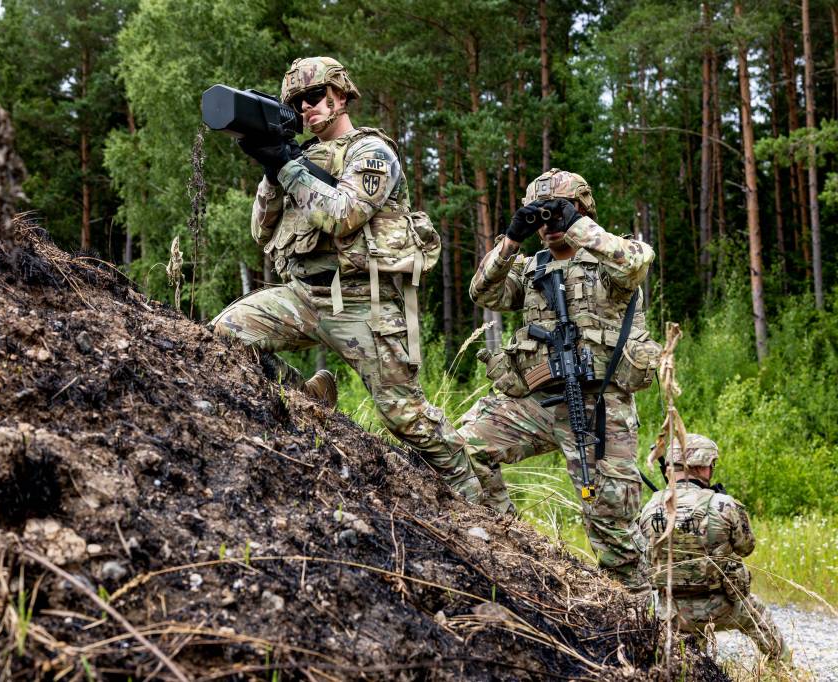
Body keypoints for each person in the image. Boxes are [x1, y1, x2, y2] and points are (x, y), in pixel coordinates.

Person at [212, 57, 492, 507]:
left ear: (340, 96)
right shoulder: (298, 158)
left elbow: (344, 216)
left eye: (314, 96)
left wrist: (286, 167)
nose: (306, 108)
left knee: (409, 420)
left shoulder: (372, 153)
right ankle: (306, 397)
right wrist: (271, 171)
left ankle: (488, 506)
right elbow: (261, 231)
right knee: (224, 337)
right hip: (304, 296)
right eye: (297, 103)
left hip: (364, 304)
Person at [458, 168, 661, 589]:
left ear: (583, 211)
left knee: (615, 540)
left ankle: (656, 631)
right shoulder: (532, 268)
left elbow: (637, 261)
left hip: (601, 410)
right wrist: (511, 240)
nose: (548, 227)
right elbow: (482, 291)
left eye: (558, 215)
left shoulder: (611, 261)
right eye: (541, 218)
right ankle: (509, 539)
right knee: (464, 447)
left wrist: (578, 225)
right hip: (537, 402)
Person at [639, 434, 790, 663]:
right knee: (758, 616)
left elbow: (645, 554)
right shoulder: (723, 504)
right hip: (723, 607)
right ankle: (784, 667)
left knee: (683, 657)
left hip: (673, 613)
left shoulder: (651, 505)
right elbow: (746, 548)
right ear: (702, 467)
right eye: (711, 465)